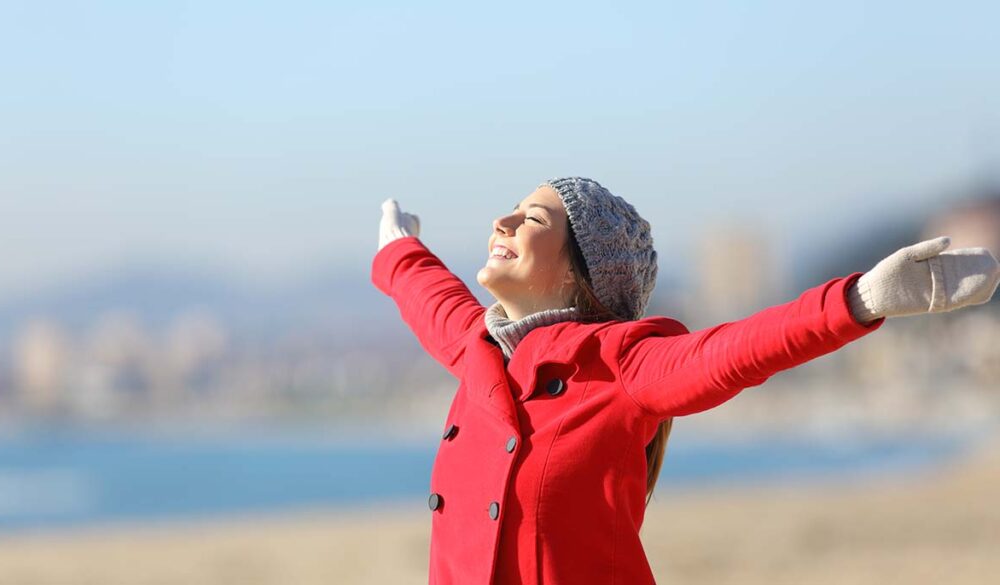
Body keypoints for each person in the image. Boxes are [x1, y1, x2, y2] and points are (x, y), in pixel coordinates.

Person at [372, 176, 1000, 585]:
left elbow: (734, 352)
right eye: (509, 210)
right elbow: (433, 298)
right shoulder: (481, 353)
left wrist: (858, 300)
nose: (503, 222)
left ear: (578, 270)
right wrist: (399, 248)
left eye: (533, 218)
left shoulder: (620, 364)